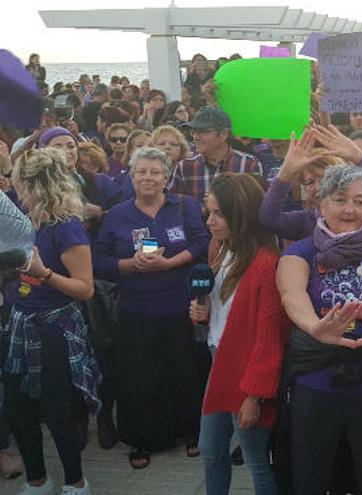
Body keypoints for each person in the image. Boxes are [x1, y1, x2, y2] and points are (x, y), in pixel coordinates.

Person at [276, 164, 362, 494]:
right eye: (340, 200)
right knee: (311, 478)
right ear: (321, 204)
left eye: (360, 201)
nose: (350, 209)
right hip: (314, 385)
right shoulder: (301, 251)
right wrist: (315, 327)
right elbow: (291, 294)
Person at [94, 147, 210, 469]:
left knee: (184, 372)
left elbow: (201, 242)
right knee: (140, 377)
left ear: (166, 177)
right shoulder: (116, 214)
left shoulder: (184, 206)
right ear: (131, 177)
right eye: (141, 172)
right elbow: (97, 260)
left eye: (154, 172)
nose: (148, 177)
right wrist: (129, 265)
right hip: (136, 311)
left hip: (179, 308)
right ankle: (142, 440)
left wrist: (171, 262)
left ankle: (189, 433)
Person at [4, 147, 99, 495]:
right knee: (17, 407)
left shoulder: (67, 229)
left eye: (21, 186)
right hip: (20, 322)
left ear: (36, 186)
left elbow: (85, 288)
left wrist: (43, 273)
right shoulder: (23, 219)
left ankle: (75, 482)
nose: (18, 193)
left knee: (57, 410)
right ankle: (37, 481)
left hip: (55, 328)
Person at [190, 174, 287, 495]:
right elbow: (227, 313)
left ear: (241, 213)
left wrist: (254, 395)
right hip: (220, 361)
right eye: (209, 212)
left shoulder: (264, 264)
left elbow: (269, 336)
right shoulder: (221, 249)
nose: (210, 221)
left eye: (218, 213)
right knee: (211, 448)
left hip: (248, 373)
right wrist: (203, 314)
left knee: (256, 458)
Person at [260, 125, 362, 242]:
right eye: (310, 182)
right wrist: (285, 174)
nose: (319, 186)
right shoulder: (304, 221)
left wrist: (360, 158)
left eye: (325, 178)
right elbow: (268, 221)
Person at [171, 108, 262, 201]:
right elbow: (173, 207)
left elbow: (255, 206)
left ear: (223, 134)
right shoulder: (185, 167)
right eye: (194, 132)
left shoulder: (249, 165)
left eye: (203, 131)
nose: (195, 137)